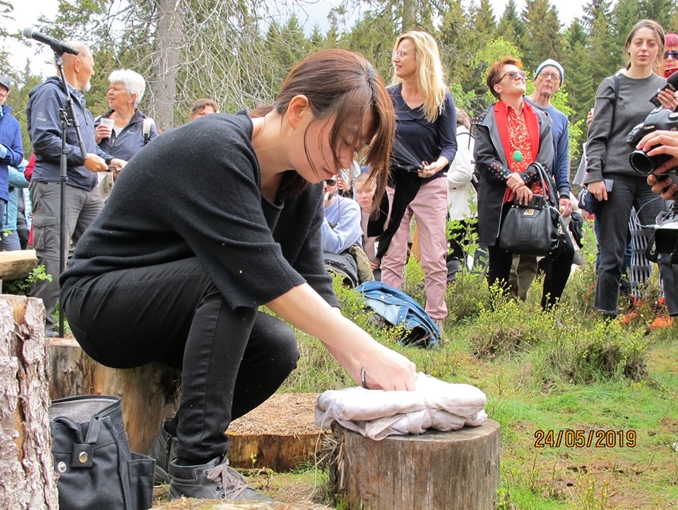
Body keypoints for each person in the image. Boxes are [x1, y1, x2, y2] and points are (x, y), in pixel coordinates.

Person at [59, 49, 417, 502]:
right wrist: (367, 346)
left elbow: (311, 277)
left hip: (173, 310)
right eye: (342, 141)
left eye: (355, 149)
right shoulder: (216, 148)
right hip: (103, 302)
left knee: (277, 348)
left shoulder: (300, 184)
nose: (344, 161)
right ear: (299, 108)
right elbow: (256, 270)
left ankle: (174, 442)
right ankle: (199, 464)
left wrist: (359, 363)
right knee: (233, 278)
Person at [27, 42, 126, 337]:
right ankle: (39, 334)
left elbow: (89, 147)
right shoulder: (50, 93)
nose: (94, 70)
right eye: (92, 63)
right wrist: (83, 157)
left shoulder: (78, 102)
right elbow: (43, 140)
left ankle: (87, 324)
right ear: (77, 64)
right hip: (56, 186)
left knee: (101, 250)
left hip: (85, 189)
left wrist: (109, 161)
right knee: (54, 260)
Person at [584, 20, 678, 319]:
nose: (644, 48)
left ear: (659, 51)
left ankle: (668, 312)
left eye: (651, 44)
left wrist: (673, 108)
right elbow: (597, 135)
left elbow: (673, 132)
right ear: (628, 46)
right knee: (612, 252)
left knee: (666, 245)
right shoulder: (613, 84)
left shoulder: (665, 89)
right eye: (639, 42)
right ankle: (606, 316)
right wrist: (594, 177)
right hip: (616, 177)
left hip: (655, 178)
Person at [475, 57, 575, 309]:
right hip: (500, 201)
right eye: (512, 75)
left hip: (537, 201)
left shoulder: (542, 118)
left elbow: (546, 159)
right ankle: (498, 320)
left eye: (521, 73)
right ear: (498, 87)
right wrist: (511, 178)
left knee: (564, 252)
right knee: (500, 263)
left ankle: (547, 313)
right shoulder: (486, 118)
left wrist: (524, 178)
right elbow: (484, 159)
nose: (520, 77)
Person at [379, 31, 456, 329]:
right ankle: (390, 318)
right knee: (392, 254)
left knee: (435, 256)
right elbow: (377, 137)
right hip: (393, 185)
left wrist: (437, 165)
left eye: (404, 53)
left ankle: (435, 321)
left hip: (430, 185)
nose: (396, 58)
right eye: (396, 52)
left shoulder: (440, 97)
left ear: (420, 58)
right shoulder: (387, 96)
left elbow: (450, 145)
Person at [509, 59, 575, 305]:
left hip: (543, 194)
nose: (549, 79)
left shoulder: (561, 120)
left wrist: (565, 193)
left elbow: (562, 161)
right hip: (513, 187)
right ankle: (504, 305)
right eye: (545, 74)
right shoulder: (519, 105)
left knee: (532, 249)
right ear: (534, 79)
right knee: (510, 248)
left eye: (555, 77)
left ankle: (521, 303)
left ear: (559, 86)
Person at [95, 69, 157, 200]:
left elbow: (153, 160)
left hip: (127, 192)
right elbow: (83, 151)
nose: (110, 93)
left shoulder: (146, 126)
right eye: (110, 88)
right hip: (96, 192)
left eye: (116, 89)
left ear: (132, 97)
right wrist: (94, 139)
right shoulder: (97, 121)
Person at [446, 107, 478, 279]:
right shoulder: (470, 140)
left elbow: (465, 172)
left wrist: (440, 183)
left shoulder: (458, 140)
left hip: (462, 209)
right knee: (467, 255)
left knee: (458, 256)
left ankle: (458, 291)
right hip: (471, 207)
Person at [0, 75, 24, 227]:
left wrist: (3, 152)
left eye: (1, 95)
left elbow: (18, 156)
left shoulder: (13, 124)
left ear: (6, 96)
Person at [355, 171, 389, 280]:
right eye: (359, 192)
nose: (363, 196)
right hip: (358, 268)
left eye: (368, 191)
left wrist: (386, 263)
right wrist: (362, 262)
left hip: (383, 269)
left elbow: (404, 247)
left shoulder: (387, 213)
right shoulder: (352, 215)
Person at [0, 159, 29, 251]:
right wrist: (18, 160)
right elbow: (27, 179)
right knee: (16, 261)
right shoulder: (5, 170)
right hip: (6, 227)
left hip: (7, 223)